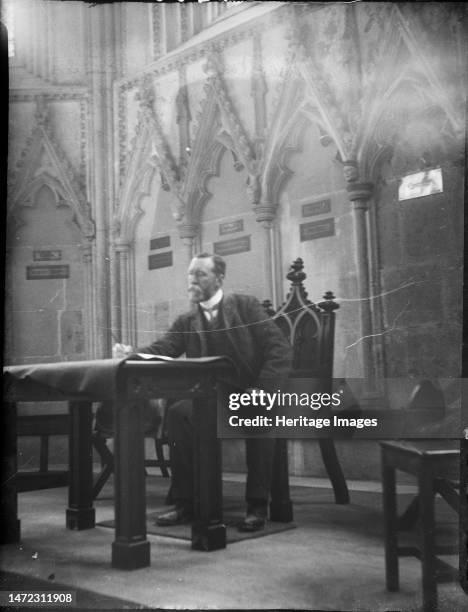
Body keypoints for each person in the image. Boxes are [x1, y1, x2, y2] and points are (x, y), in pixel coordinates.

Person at [114, 252, 292, 532]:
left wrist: (262, 390)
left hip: (252, 393)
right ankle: (186, 503)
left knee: (260, 415)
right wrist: (131, 355)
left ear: (219, 278)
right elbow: (164, 349)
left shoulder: (246, 307)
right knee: (178, 413)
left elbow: (279, 349)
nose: (192, 280)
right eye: (190, 274)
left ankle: (258, 506)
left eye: (200, 274)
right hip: (214, 397)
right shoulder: (187, 321)